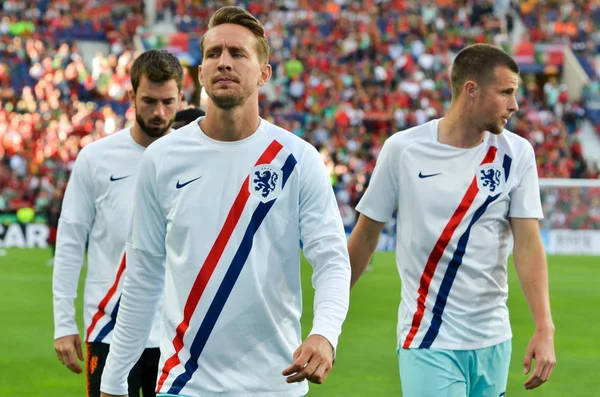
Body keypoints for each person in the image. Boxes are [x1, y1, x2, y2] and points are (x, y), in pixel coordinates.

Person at [100, 6, 350, 397]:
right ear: (200, 73)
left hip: (274, 385)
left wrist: (325, 333)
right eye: (213, 53)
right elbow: (143, 277)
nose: (224, 62)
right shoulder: (162, 158)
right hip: (183, 385)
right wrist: (114, 379)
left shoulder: (296, 159)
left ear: (264, 73)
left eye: (238, 53)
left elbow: (332, 259)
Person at [348, 43, 556, 396]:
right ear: (470, 90)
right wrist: (328, 317)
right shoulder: (404, 149)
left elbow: (527, 242)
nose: (515, 105)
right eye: (505, 92)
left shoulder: (517, 153)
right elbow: (366, 235)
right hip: (429, 338)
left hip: (494, 339)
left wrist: (544, 327)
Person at [52, 49, 183, 397]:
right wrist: (64, 323)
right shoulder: (95, 158)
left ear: (182, 97)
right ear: (131, 96)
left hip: (176, 333)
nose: (159, 112)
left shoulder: (192, 161)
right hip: (108, 327)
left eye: (168, 102)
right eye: (149, 101)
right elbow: (69, 242)